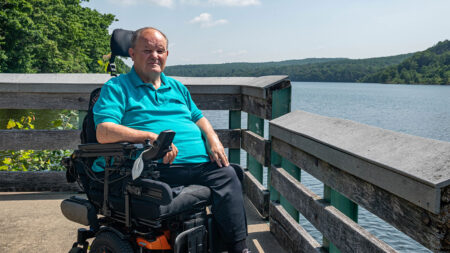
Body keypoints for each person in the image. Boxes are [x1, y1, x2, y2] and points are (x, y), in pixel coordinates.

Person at [93, 27, 249, 253]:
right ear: (132, 54)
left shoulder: (176, 87)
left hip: (199, 165)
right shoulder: (117, 87)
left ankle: (238, 249)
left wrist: (212, 137)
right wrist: (149, 137)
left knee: (229, 173)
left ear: (167, 55)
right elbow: (103, 131)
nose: (154, 56)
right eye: (146, 50)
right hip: (154, 168)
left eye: (160, 50)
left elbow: (198, 117)